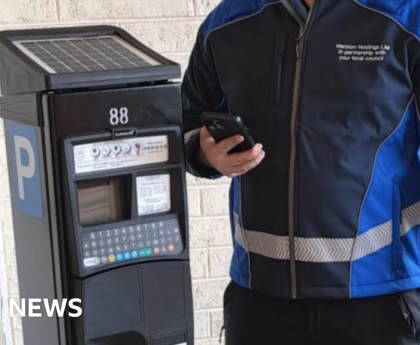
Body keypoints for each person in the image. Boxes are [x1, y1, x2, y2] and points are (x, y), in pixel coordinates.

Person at [182, 0, 420, 343]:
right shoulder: (228, 21)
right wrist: (205, 153)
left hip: (380, 299)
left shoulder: (405, 18)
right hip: (260, 299)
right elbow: (187, 121)